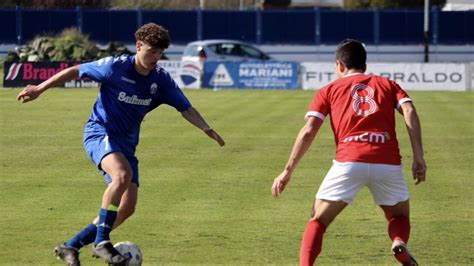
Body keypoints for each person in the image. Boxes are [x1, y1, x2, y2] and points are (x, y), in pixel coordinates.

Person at [17, 23, 225, 266]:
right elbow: (75, 70)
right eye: (151, 51)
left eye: (160, 53)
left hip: (126, 146)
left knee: (126, 208)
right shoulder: (115, 67)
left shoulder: (161, 80)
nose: (156, 57)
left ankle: (70, 246)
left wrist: (205, 127)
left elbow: (185, 108)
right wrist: (40, 89)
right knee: (122, 175)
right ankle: (102, 242)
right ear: (139, 46)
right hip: (100, 132)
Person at [271, 39, 426, 266]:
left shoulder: (329, 90)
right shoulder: (388, 84)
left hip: (349, 162)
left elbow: (308, 131)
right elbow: (409, 110)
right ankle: (398, 242)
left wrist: (287, 171)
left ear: (340, 65)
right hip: (387, 162)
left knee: (318, 220)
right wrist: (419, 156)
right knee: (399, 217)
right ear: (364, 63)